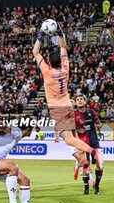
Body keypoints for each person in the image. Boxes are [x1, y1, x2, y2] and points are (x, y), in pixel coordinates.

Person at [32, 26, 102, 172]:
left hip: (58, 109)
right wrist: (60, 34)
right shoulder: (65, 69)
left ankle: (93, 152)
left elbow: (35, 52)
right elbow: (63, 47)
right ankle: (84, 166)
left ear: (49, 62)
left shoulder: (47, 71)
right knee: (74, 138)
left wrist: (40, 35)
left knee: (69, 139)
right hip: (69, 106)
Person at [74, 94, 104, 195]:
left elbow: (98, 123)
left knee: (100, 165)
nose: (79, 101)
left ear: (85, 101)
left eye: (81, 99)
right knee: (85, 168)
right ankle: (86, 186)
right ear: (76, 103)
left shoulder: (92, 112)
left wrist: (99, 126)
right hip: (82, 145)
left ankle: (97, 186)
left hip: (94, 143)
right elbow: (71, 130)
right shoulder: (73, 115)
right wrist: (78, 130)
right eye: (77, 99)